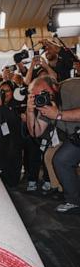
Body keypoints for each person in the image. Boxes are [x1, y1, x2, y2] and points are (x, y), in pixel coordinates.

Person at [26, 76, 80, 213]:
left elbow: (58, 115)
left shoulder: (72, 87)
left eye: (44, 92)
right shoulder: (45, 104)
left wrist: (59, 115)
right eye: (37, 95)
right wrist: (30, 111)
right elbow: (36, 132)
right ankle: (74, 201)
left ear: (54, 87)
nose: (42, 97)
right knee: (61, 160)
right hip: (76, 137)